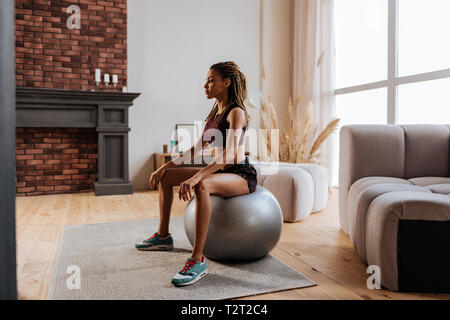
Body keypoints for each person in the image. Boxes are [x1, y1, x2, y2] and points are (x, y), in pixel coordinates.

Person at [135, 61, 258, 286]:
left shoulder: (236, 112)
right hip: (220, 171)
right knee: (166, 177)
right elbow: (196, 149)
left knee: (202, 185)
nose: (205, 85)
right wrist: (166, 166)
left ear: (226, 83)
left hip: (240, 174)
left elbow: (229, 156)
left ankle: (197, 259)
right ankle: (163, 237)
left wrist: (197, 177)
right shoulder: (214, 114)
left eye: (211, 80)